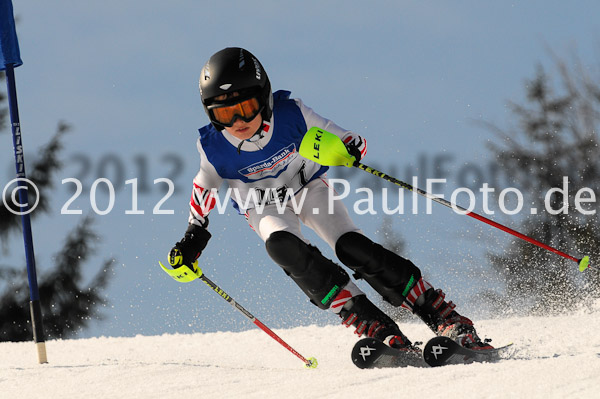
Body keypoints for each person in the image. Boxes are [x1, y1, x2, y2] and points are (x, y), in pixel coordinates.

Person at [168, 47, 492, 352]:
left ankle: (443, 316)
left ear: (264, 98)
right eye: (225, 114)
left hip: (309, 187)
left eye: (246, 108)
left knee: (352, 246)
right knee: (282, 246)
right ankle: (375, 326)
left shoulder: (290, 114)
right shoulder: (214, 146)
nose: (238, 122)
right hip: (262, 205)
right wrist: (194, 234)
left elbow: (350, 138)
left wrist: (349, 150)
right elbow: (203, 188)